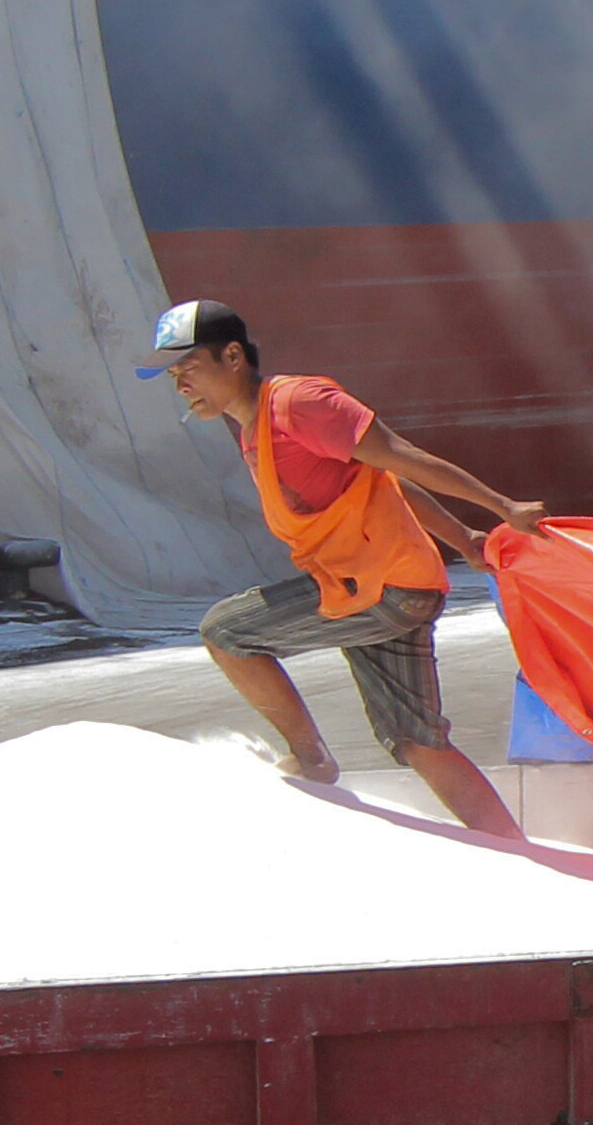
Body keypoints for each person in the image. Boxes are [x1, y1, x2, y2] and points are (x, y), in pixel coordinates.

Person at [142, 300, 546, 838]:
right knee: (418, 741)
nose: (181, 386)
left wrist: (501, 507)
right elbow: (378, 482)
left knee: (226, 632)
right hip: (389, 589)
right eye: (174, 376)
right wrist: (463, 538)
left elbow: (398, 455)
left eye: (189, 368)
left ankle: (311, 760)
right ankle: (516, 849)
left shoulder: (299, 404)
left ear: (232, 356)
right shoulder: (256, 430)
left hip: (379, 591)